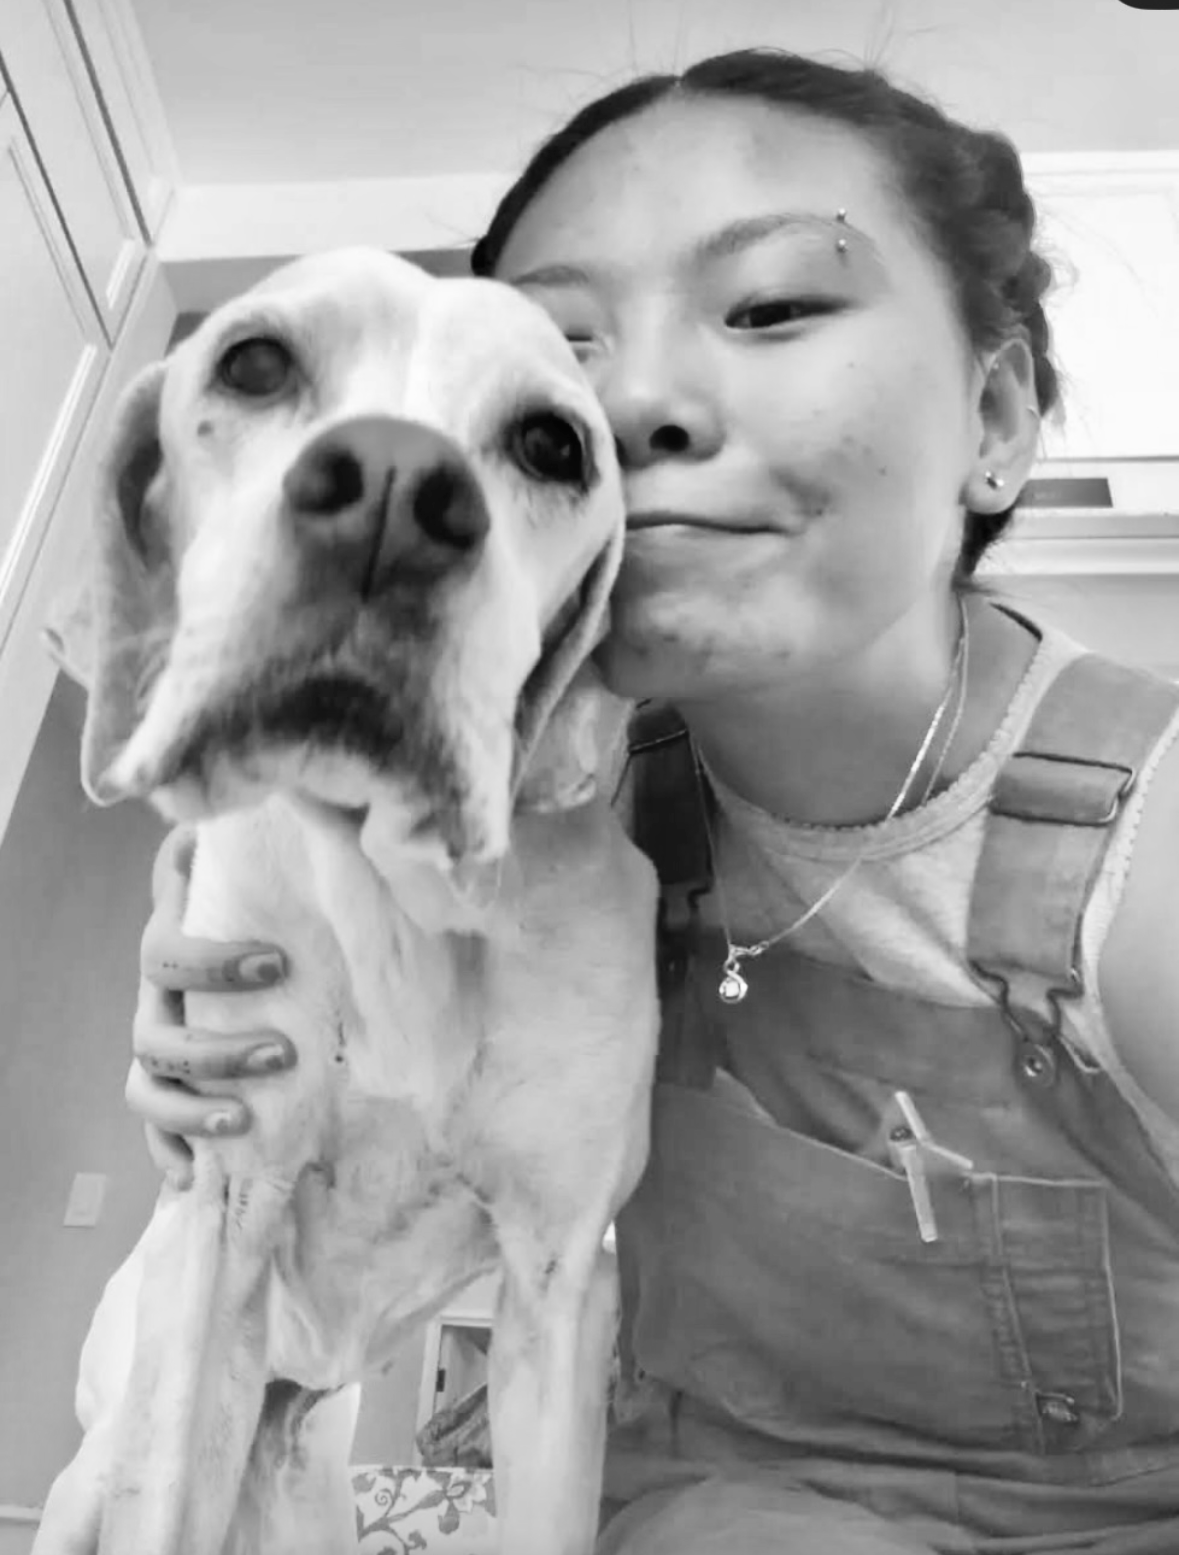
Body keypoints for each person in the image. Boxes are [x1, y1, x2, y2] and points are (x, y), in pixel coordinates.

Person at [121, 48, 1179, 1555]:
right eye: (558, 366)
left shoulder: (1142, 826)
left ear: (996, 408)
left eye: (769, 307)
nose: (641, 401)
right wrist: (220, 1036)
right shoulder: (545, 807)